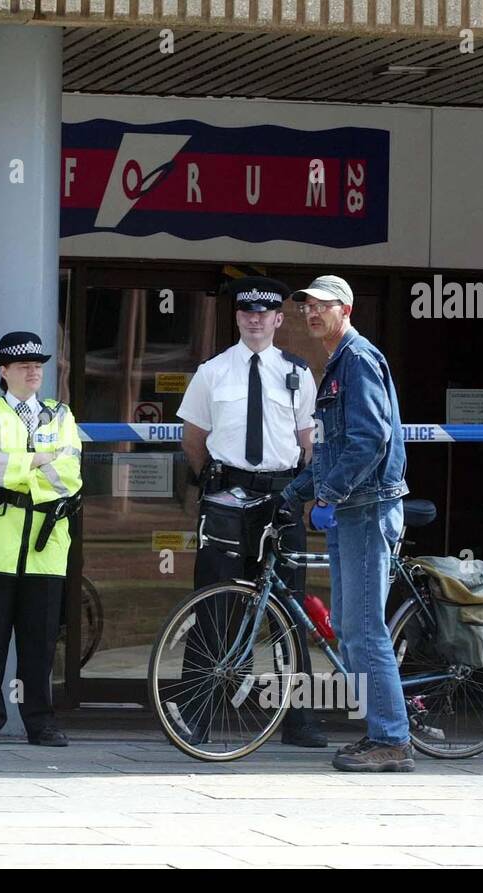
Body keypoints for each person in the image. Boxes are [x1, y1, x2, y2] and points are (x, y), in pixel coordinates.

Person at [176, 276, 325, 747]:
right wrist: (214, 484)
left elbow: (307, 444)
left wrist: (301, 496)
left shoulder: (299, 373)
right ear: (237, 318)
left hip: (281, 501)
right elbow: (194, 442)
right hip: (227, 499)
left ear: (279, 320)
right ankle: (198, 714)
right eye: (246, 313)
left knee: (291, 607)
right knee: (215, 604)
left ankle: (297, 720)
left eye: (264, 313)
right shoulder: (212, 372)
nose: (255, 319)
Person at [280, 275, 413, 773]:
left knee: (363, 628)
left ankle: (393, 740)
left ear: (346, 310)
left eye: (322, 306)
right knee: (352, 629)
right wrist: (293, 494)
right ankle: (382, 732)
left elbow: (369, 440)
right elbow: (333, 447)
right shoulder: (336, 363)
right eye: (307, 307)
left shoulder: (357, 360)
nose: (312, 314)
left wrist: (327, 496)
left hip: (367, 509)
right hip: (351, 510)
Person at [0, 331, 82, 747]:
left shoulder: (60, 414)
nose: (34, 371)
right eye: (23, 365)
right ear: (4, 370)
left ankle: (41, 722)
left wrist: (16, 466)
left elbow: (70, 475)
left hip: (45, 546)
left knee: (40, 645)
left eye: (38, 364)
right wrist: (38, 461)